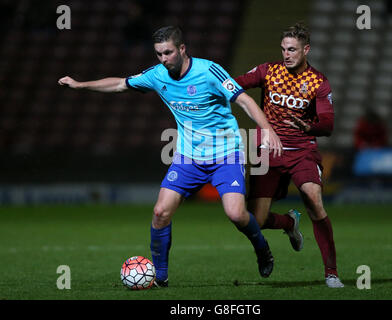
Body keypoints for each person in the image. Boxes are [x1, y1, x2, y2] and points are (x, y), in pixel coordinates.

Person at [58, 26, 283, 287]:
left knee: (236, 214)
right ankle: (160, 276)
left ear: (182, 49)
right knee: (160, 212)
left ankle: (262, 248)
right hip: (188, 157)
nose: (163, 59)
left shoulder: (209, 71)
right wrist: (80, 85)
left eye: (168, 52)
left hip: (225, 154)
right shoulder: (157, 75)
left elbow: (243, 100)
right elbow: (120, 84)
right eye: (159, 54)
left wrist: (267, 130)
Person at [235, 23, 344, 288]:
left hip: (301, 151)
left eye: (292, 49)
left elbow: (328, 125)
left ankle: (331, 273)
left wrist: (310, 126)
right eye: (284, 49)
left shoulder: (318, 82)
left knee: (315, 200)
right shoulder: (268, 71)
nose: (286, 54)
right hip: (267, 151)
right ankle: (288, 222)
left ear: (306, 49)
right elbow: (234, 86)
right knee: (255, 221)